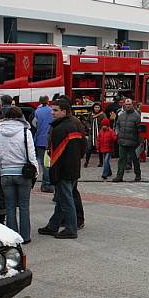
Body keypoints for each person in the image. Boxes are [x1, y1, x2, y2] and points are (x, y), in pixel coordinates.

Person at [38, 98, 85, 239]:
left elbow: (56, 155)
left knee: (65, 200)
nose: (52, 113)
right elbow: (84, 146)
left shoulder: (60, 129)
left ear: (64, 111)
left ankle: (71, 228)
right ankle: (53, 226)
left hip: (64, 170)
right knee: (62, 199)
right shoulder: (77, 123)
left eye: (55, 110)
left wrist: (54, 174)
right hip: (74, 168)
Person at [0, 106, 37, 243]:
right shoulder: (25, 132)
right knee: (24, 206)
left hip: (6, 173)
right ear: (20, 117)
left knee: (10, 206)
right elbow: (31, 154)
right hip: (23, 173)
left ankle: (13, 237)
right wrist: (35, 171)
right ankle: (25, 236)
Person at [112, 98, 142, 182]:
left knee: (135, 160)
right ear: (124, 105)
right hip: (122, 141)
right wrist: (117, 133)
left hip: (133, 142)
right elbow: (117, 125)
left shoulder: (137, 116)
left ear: (132, 105)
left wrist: (140, 141)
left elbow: (140, 129)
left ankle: (138, 175)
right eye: (126, 104)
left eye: (129, 104)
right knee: (121, 160)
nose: (128, 106)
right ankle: (119, 176)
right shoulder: (121, 115)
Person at [32, 95, 54, 192]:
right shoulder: (52, 111)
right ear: (48, 101)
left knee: (44, 164)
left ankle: (46, 184)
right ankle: (48, 183)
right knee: (49, 162)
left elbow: (34, 125)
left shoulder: (36, 112)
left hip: (40, 140)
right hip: (50, 140)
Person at [84, 103, 106, 168]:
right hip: (91, 133)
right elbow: (87, 121)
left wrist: (102, 128)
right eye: (95, 107)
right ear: (93, 108)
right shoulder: (91, 114)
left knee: (100, 148)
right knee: (89, 148)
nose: (97, 109)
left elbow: (105, 122)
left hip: (100, 133)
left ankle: (101, 162)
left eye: (98, 107)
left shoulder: (103, 115)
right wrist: (89, 127)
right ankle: (86, 162)